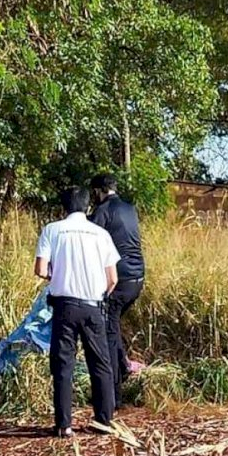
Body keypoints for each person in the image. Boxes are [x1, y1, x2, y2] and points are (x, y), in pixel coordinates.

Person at [35, 187, 120, 437]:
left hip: (64, 306)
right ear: (88, 206)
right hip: (93, 305)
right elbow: (112, 278)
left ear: (64, 207)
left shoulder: (52, 230)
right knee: (101, 364)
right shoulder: (100, 233)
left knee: (63, 365)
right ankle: (104, 420)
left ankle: (64, 424)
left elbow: (40, 269)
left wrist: (57, 275)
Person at [89, 174, 145, 408]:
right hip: (137, 277)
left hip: (117, 280)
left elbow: (88, 241)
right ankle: (122, 368)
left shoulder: (102, 211)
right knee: (113, 325)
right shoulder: (129, 207)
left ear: (99, 191)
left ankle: (114, 396)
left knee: (108, 333)